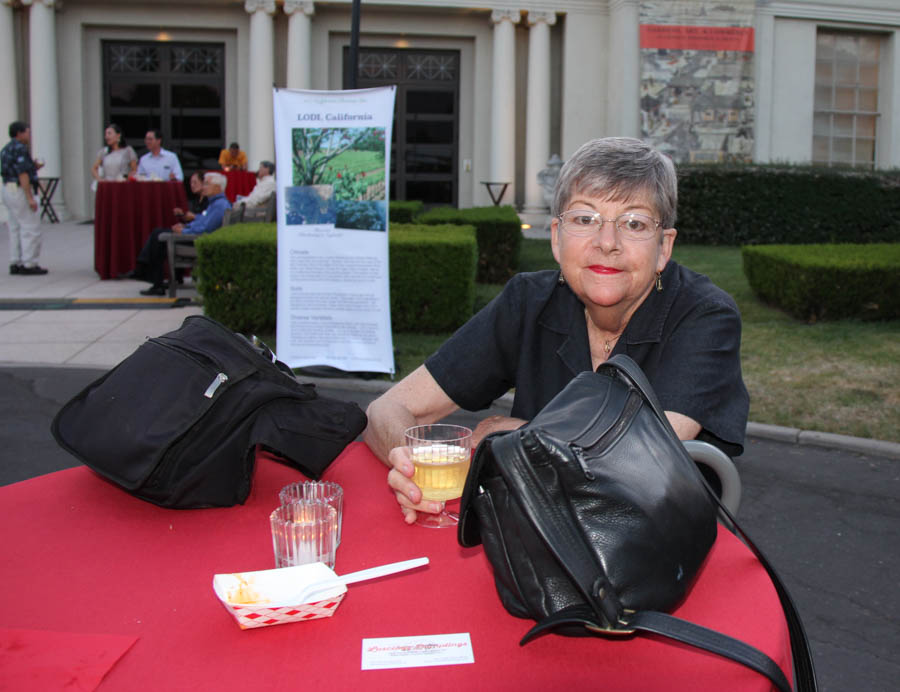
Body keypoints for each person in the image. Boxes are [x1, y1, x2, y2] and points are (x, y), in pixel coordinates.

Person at [363, 137, 749, 524]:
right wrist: (409, 458)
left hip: (659, 549)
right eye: (585, 219)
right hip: (539, 540)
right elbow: (387, 408)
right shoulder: (529, 302)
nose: (607, 243)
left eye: (634, 223)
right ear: (556, 237)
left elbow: (641, 464)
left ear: (664, 247)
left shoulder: (704, 316)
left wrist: (521, 434)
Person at [125, 171, 230, 295]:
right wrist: (186, 226)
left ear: (217, 187)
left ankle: (149, 276)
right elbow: (202, 221)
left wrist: (185, 230)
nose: (203, 187)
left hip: (198, 241)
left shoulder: (219, 205)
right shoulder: (215, 203)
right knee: (158, 234)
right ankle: (147, 273)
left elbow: (206, 229)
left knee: (159, 236)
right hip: (196, 235)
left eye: (206, 184)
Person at [1, 121, 47, 275]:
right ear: (19, 133)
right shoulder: (20, 149)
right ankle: (29, 263)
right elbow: (22, 174)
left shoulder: (6, 149)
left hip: (8, 188)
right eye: (27, 132)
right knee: (30, 226)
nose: (28, 135)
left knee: (15, 226)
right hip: (19, 190)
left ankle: (16, 261)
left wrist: (33, 166)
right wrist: (30, 198)